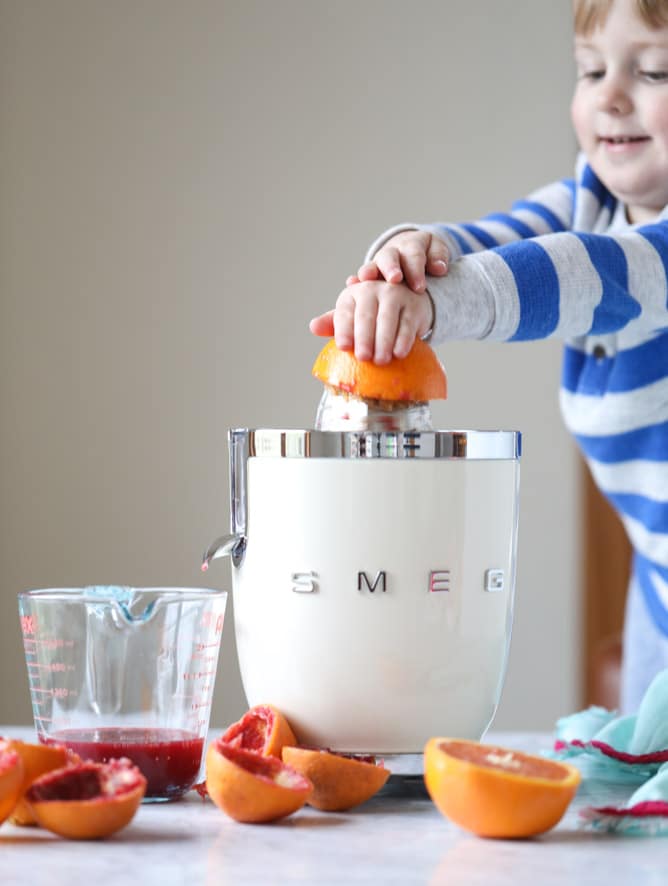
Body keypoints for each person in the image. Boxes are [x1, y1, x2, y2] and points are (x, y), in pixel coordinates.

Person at [310, 0, 668, 714]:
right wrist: (403, 258)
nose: (611, 93)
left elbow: (580, 273)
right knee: (643, 791)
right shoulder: (586, 199)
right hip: (654, 577)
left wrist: (439, 309)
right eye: (591, 69)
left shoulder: (639, 251)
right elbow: (487, 239)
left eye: (654, 70)